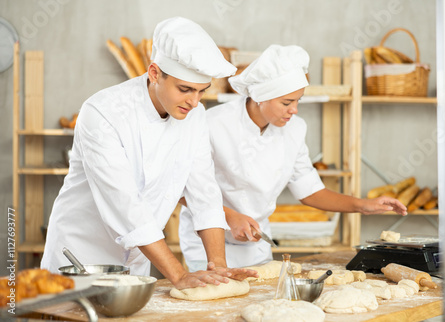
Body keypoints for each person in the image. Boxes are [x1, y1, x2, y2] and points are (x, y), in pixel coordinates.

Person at [41, 17, 257, 289]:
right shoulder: (103, 113)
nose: (194, 101)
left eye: (202, 91)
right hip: (81, 258)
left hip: (138, 261)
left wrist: (220, 268)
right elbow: (125, 204)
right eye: (185, 89)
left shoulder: (195, 115)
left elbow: (204, 192)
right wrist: (178, 275)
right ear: (155, 73)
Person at [179, 45, 407, 270]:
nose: (294, 110)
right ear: (260, 96)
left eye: (298, 100)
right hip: (205, 242)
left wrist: (363, 205)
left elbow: (309, 190)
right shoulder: (213, 123)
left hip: (256, 243)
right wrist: (228, 216)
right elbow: (182, 187)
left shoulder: (295, 129)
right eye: (286, 103)